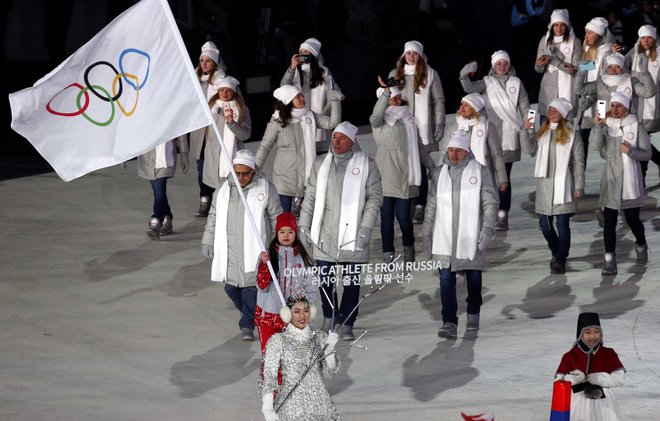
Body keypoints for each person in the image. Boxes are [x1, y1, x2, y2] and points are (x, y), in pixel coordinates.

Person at [298, 122, 383, 341]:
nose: (335, 142)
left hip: (353, 232)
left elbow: (374, 199)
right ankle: (329, 315)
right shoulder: (320, 163)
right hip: (324, 231)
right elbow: (310, 197)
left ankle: (347, 322)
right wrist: (304, 225)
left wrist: (365, 228)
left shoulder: (367, 165)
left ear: (352, 141)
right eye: (334, 137)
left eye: (341, 138)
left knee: (351, 281)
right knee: (325, 279)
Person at [423, 130, 498, 339]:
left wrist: (486, 230)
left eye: (459, 150)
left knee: (474, 279)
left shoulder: (480, 172)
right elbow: (431, 206)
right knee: (446, 281)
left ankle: (473, 310)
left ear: (467, 152)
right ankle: (449, 322)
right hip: (444, 237)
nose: (454, 155)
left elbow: (490, 203)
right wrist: (427, 236)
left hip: (470, 236)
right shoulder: (439, 174)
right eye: (451, 150)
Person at [201, 150, 282, 341]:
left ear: (253, 171)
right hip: (229, 248)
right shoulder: (223, 189)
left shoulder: (266, 188)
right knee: (231, 288)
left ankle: (246, 324)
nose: (241, 177)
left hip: (255, 249)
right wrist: (207, 239)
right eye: (237, 173)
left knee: (252, 288)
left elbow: (276, 217)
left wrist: (279, 245)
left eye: (246, 173)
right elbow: (213, 216)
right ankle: (252, 315)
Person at [459, 50, 529, 231]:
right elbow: (469, 88)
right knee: (488, 177)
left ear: (509, 65)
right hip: (488, 139)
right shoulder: (486, 82)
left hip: (509, 138)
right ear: (493, 66)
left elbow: (525, 106)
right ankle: (488, 211)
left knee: (503, 177)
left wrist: (529, 123)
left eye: (505, 63)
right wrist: (464, 74)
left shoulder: (516, 83)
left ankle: (502, 214)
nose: (502, 67)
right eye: (499, 64)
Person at [370, 81, 435, 263]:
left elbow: (420, 146)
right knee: (386, 219)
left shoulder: (409, 119)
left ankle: (409, 247)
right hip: (386, 176)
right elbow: (375, 117)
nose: (398, 101)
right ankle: (388, 252)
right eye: (393, 99)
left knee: (405, 218)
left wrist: (431, 166)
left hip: (406, 176)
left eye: (399, 98)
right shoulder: (380, 121)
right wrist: (385, 93)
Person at [520, 98, 585, 274]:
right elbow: (529, 150)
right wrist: (525, 130)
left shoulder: (573, 134)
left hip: (564, 184)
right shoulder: (543, 131)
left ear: (563, 114)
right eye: (549, 110)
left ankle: (560, 260)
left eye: (554, 110)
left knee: (562, 224)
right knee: (545, 225)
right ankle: (558, 252)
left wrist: (579, 186)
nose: (550, 113)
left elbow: (578, 161)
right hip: (545, 185)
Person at [256, 84, 342, 213]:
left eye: (301, 95)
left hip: (308, 178)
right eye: (298, 97)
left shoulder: (309, 115)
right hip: (284, 179)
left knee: (308, 220)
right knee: (284, 222)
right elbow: (265, 147)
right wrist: (254, 170)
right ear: (288, 101)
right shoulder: (277, 121)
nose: (303, 98)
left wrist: (335, 101)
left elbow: (332, 123)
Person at [590, 92, 651, 275]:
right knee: (609, 221)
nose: (615, 110)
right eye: (613, 105)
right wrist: (598, 126)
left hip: (629, 181)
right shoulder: (606, 125)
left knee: (632, 219)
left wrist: (630, 151)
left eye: (619, 106)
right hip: (611, 178)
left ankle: (641, 243)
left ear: (627, 108)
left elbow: (647, 154)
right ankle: (609, 258)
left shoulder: (636, 126)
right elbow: (595, 146)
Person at [389, 40, 446, 224]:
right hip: (401, 129)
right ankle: (408, 202)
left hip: (423, 129)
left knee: (421, 167)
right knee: (405, 168)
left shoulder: (430, 74)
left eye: (414, 53)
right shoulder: (396, 74)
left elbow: (438, 101)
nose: (411, 56)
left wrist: (439, 125)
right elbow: (388, 99)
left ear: (420, 56)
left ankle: (421, 204)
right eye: (408, 53)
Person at [260, 293, 340, 421]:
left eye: (306, 311)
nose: (302, 316)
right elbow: (269, 375)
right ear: (287, 314)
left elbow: (329, 372)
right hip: (291, 406)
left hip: (320, 405)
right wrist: (267, 407)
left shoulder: (320, 338)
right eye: (297, 311)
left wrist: (329, 350)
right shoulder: (278, 340)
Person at [255, 212, 318, 353]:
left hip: (293, 318)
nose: (286, 235)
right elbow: (262, 286)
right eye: (282, 231)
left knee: (292, 359)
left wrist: (301, 308)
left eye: (290, 232)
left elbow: (312, 287)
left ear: (295, 234)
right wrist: (265, 266)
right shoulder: (267, 257)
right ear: (276, 233)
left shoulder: (303, 259)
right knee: (271, 358)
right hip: (269, 316)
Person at [555, 312, 625, 421]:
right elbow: (559, 380)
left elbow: (620, 378)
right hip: (579, 404)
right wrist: (573, 377)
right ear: (580, 334)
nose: (593, 336)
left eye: (596, 332)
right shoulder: (570, 356)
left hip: (605, 404)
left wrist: (600, 378)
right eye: (588, 332)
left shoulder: (609, 353)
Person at [442, 93, 508, 198]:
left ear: (476, 109)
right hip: (458, 175)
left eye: (467, 105)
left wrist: (502, 178)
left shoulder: (488, 127)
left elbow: (497, 154)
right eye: (462, 104)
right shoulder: (453, 127)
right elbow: (444, 153)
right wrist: (440, 175)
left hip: (483, 175)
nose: (462, 107)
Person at [190, 41, 227, 217]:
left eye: (208, 60)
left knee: (217, 167)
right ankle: (205, 198)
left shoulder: (224, 83)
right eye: (202, 60)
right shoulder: (196, 82)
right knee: (201, 167)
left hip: (217, 132)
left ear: (215, 62)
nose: (204, 64)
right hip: (200, 133)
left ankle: (219, 198)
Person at [280, 37, 338, 148]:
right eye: (300, 52)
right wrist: (291, 68)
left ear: (313, 54)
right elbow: (283, 87)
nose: (302, 55)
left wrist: (323, 116)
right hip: (300, 120)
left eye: (305, 52)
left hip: (320, 120)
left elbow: (332, 95)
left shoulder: (325, 72)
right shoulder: (295, 71)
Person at [576, 17, 616, 162]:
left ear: (599, 34)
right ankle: (578, 180)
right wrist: (581, 66)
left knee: (607, 144)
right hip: (588, 102)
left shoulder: (608, 52)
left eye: (589, 33)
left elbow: (605, 81)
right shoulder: (590, 50)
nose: (586, 36)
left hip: (602, 102)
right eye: (586, 32)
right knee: (581, 142)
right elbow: (587, 68)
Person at [202, 76, 252, 190]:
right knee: (218, 194)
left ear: (234, 91)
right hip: (214, 158)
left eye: (229, 90)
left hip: (235, 158)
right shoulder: (211, 109)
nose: (225, 93)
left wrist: (232, 123)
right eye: (221, 90)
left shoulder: (242, 109)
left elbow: (245, 135)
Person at [626, 24, 660, 184]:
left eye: (649, 37)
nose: (646, 41)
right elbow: (620, 65)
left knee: (643, 142)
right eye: (643, 37)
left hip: (653, 105)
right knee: (642, 141)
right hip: (635, 105)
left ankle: (642, 178)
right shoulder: (633, 52)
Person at [534, 9, 582, 120]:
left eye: (562, 25)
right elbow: (538, 69)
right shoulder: (544, 40)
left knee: (565, 132)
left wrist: (554, 60)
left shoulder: (575, 42)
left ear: (567, 26)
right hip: (548, 90)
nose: (559, 29)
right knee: (545, 130)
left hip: (568, 90)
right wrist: (539, 64)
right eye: (556, 25)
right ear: (551, 26)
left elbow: (575, 69)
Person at [138, 136, 189, 240]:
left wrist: (184, 154)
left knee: (159, 190)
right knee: (158, 191)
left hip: (165, 156)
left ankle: (156, 221)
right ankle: (167, 217)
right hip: (148, 158)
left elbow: (181, 129)